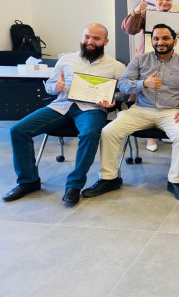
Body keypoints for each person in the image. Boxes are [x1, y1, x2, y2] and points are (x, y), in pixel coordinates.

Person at [2, 24, 126, 206]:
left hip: (91, 109)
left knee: (90, 133)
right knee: (18, 130)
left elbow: (124, 93)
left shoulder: (116, 67)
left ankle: (74, 185)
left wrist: (113, 99)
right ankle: (28, 181)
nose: (90, 42)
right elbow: (50, 86)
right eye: (87, 37)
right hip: (61, 106)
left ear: (105, 41)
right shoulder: (66, 59)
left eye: (96, 38)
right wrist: (55, 87)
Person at [81, 24, 179, 201]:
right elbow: (123, 84)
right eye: (156, 38)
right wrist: (143, 84)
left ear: (174, 41)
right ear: (151, 41)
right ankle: (109, 179)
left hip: (174, 111)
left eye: (165, 38)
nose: (160, 42)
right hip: (141, 109)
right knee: (109, 131)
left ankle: (176, 181)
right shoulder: (139, 60)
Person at [121, 0, 179, 152]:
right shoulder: (146, 14)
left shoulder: (178, 18)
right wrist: (137, 11)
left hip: (170, 61)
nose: (164, 2)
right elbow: (130, 29)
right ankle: (151, 136)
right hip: (148, 60)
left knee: (166, 90)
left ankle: (166, 128)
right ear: (156, 1)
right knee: (148, 91)